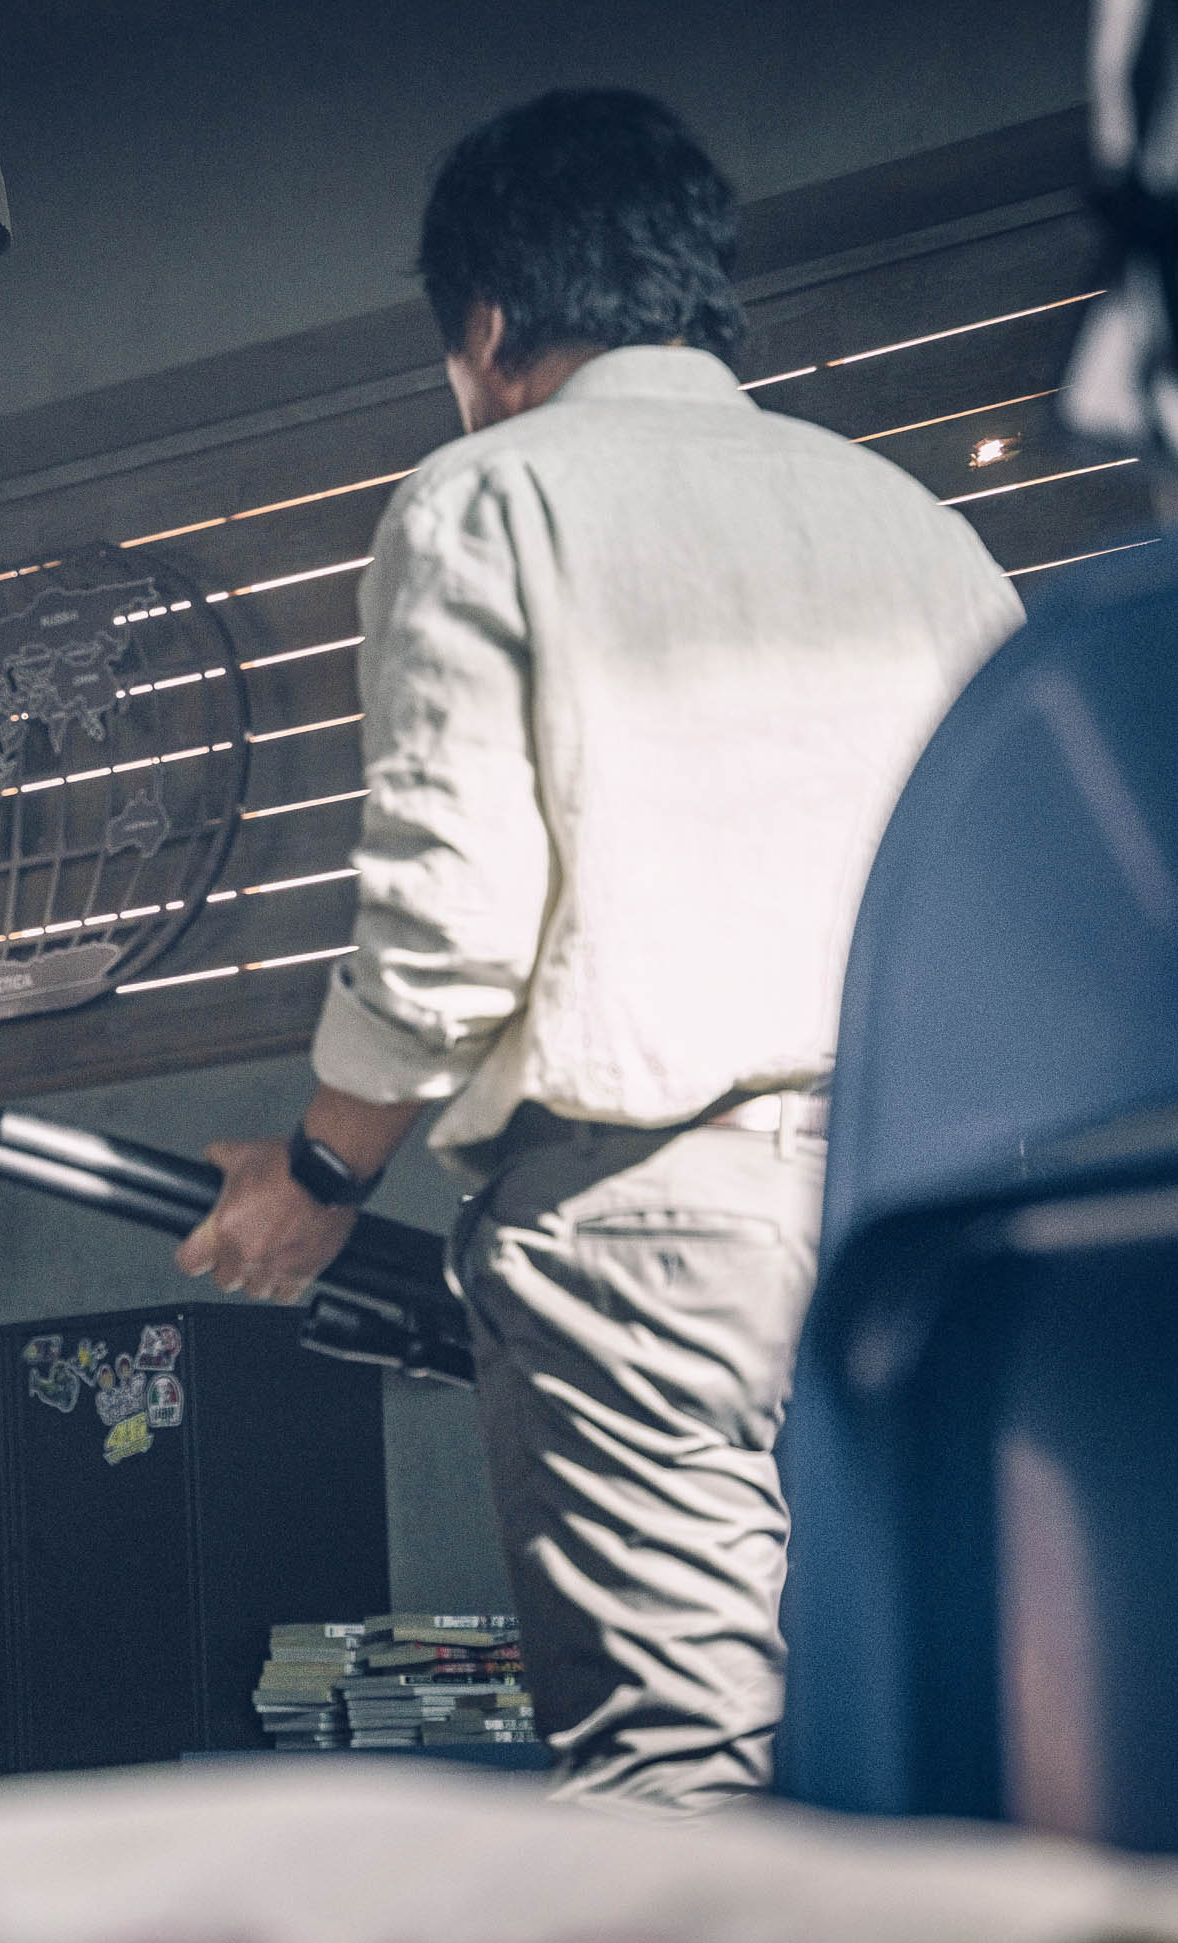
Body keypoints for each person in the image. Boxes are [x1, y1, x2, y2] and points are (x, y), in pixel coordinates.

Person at [177, 90, 1022, 1813]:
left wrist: (322, 1169)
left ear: (487, 329)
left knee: (682, 1777)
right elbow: (1020, 887)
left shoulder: (489, 496)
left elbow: (450, 926)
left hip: (649, 1222)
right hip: (930, 1221)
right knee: (924, 1770)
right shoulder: (919, 529)